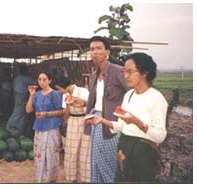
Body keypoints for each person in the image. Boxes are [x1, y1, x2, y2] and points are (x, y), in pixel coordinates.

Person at [87, 53, 168, 183]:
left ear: (144, 73)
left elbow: (160, 136)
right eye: (125, 71)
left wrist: (137, 122)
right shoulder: (129, 95)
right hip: (124, 150)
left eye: (130, 72)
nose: (125, 76)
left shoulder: (156, 98)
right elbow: (122, 126)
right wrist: (102, 121)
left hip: (143, 154)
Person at [84, 36, 129, 183]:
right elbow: (97, 101)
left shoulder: (118, 71)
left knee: (108, 164)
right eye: (92, 49)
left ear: (107, 52)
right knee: (96, 163)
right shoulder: (95, 74)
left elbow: (133, 93)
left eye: (99, 48)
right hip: (96, 121)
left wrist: (126, 116)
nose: (95, 52)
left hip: (111, 123)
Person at [25, 71, 64, 183]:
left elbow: (61, 111)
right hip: (39, 127)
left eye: (44, 79)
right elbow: (28, 110)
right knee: (39, 154)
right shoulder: (36, 95)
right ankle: (40, 179)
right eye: (39, 79)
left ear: (50, 80)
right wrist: (31, 95)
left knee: (51, 154)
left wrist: (47, 114)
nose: (41, 82)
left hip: (52, 127)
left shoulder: (55, 94)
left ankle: (51, 179)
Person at [54, 77, 91, 183]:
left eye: (59, 89)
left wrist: (80, 103)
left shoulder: (83, 91)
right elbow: (66, 115)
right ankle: (72, 179)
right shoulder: (65, 95)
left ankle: (85, 180)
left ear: (64, 86)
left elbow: (90, 107)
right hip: (72, 122)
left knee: (85, 152)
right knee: (71, 151)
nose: (59, 91)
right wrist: (67, 105)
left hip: (85, 120)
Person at [6, 64, 35, 133]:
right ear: (26, 71)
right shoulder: (26, 78)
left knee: (18, 111)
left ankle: (17, 128)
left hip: (16, 95)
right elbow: (34, 83)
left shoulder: (17, 78)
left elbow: (13, 87)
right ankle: (10, 126)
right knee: (19, 112)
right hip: (22, 96)